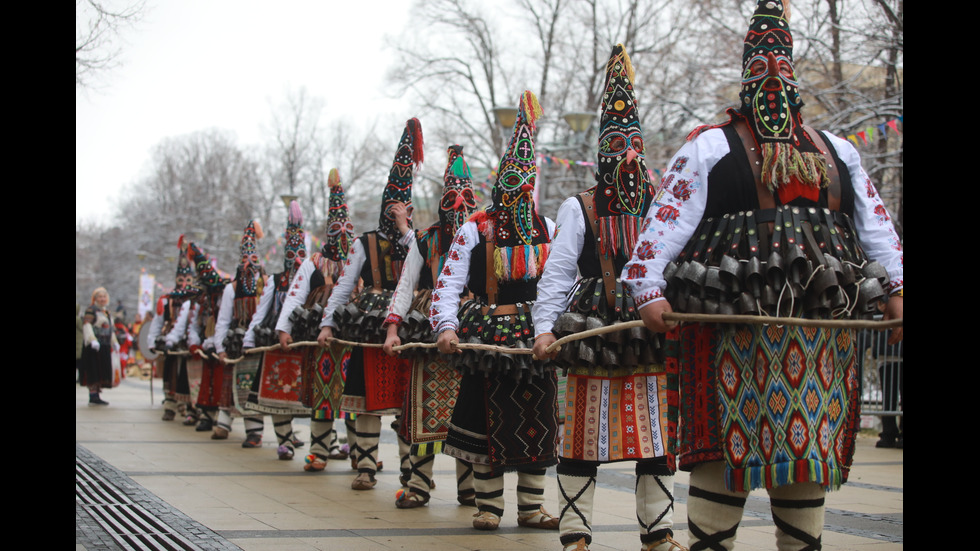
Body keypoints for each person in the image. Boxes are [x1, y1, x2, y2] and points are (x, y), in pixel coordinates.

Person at [621, 2, 904, 549]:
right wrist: (647, 286)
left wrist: (898, 287)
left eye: (781, 64)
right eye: (761, 65)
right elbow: (665, 221)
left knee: (808, 453)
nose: (772, 75)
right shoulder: (708, 145)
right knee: (724, 448)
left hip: (820, 337)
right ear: (747, 73)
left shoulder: (838, 151)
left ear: (794, 74)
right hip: (730, 329)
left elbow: (878, 226)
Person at [533, 44, 686, 551]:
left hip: (650, 326)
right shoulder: (579, 207)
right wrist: (544, 329)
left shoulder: (665, 201)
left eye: (633, 148)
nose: (627, 158)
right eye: (617, 148)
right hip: (592, 331)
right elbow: (556, 274)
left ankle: (658, 532)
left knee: (656, 433)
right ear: (601, 152)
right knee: (580, 432)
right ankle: (575, 532)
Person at [430, 91, 560, 532]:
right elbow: (447, 283)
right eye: (513, 181)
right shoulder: (474, 228)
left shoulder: (550, 228)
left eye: (526, 184)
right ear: (501, 179)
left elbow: (564, 282)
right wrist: (446, 326)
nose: (520, 191)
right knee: (486, 420)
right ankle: (489, 507)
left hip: (536, 336)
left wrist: (559, 325)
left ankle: (531, 508)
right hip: (486, 335)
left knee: (535, 418)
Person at [316, 118, 424, 490]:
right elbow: (345, 287)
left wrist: (407, 228)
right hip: (370, 326)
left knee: (407, 401)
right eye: (394, 207)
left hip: (408, 323)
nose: (398, 212)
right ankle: (365, 465)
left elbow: (422, 263)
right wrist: (327, 323)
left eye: (404, 207)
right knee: (364, 400)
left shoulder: (418, 239)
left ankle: (412, 471)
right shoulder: (365, 243)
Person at [383, 144, 478, 509]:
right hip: (426, 327)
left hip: (471, 330)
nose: (458, 205)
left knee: (468, 408)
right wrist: (393, 329)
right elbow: (405, 286)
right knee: (422, 407)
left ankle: (470, 487)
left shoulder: (481, 233)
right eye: (451, 197)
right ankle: (419, 485)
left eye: (466, 197)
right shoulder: (424, 240)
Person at [273, 171, 357, 471]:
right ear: (327, 231)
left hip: (353, 337)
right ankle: (319, 452)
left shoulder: (358, 257)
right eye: (336, 228)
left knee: (354, 398)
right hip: (320, 338)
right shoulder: (314, 262)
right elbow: (294, 296)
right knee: (322, 395)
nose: (343, 234)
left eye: (347, 227)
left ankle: (361, 453)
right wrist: (284, 328)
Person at [147, 237, 199, 422]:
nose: (184, 283)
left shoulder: (196, 299)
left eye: (188, 279)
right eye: (181, 279)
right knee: (169, 373)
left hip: (187, 343)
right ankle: (169, 405)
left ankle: (186, 405)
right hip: (170, 341)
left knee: (186, 375)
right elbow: (157, 322)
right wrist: (152, 341)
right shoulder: (167, 299)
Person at [80, 287, 118, 405]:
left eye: (104, 297)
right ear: (95, 299)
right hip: (94, 346)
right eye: (100, 297)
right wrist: (92, 340)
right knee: (93, 370)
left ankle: (97, 393)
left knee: (102, 369)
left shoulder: (107, 312)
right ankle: (93, 394)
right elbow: (87, 325)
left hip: (104, 345)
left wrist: (114, 342)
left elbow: (110, 329)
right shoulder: (91, 310)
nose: (102, 299)